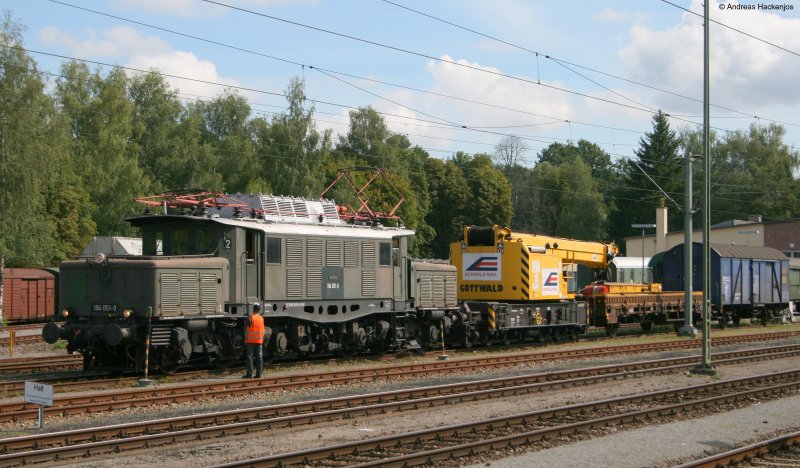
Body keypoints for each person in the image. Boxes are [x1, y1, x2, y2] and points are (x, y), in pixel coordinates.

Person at [243, 303, 265, 378]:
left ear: (253, 309)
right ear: (259, 310)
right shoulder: (261, 318)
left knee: (249, 356)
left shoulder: (250, 318)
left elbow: (247, 330)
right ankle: (259, 374)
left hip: (250, 341)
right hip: (259, 341)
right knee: (259, 356)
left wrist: (246, 339)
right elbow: (263, 330)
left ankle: (250, 374)